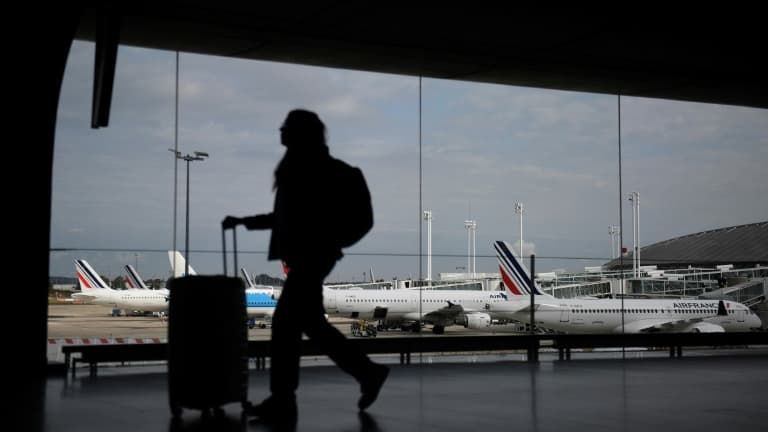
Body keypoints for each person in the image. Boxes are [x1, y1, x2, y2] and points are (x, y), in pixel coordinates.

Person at [223, 109, 388, 425]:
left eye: (285, 127)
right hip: (309, 258)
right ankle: (366, 373)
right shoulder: (307, 171)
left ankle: (286, 400)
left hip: (312, 259)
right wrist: (246, 222)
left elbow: (355, 221)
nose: (280, 131)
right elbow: (286, 220)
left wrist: (329, 242)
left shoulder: (317, 172)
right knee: (308, 325)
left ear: (300, 133)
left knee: (286, 325)